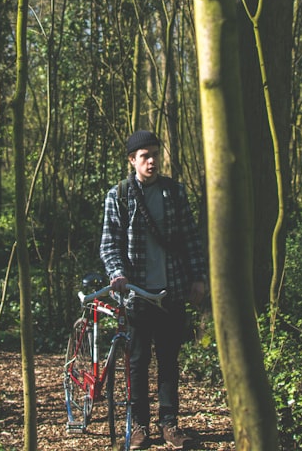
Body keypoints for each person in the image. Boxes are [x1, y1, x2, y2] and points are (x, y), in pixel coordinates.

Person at [100, 130, 207, 450]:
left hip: (172, 290)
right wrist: (117, 274)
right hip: (136, 294)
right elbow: (109, 245)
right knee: (137, 361)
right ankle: (139, 427)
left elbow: (191, 240)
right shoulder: (118, 196)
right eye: (145, 155)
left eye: (155, 154)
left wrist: (198, 278)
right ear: (132, 160)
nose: (152, 160)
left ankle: (170, 425)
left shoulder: (174, 193)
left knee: (169, 359)